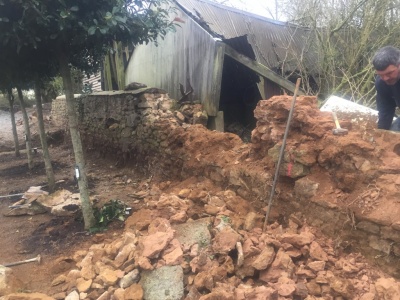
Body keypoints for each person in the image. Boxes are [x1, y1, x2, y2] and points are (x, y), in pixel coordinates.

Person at [372, 46, 400, 130]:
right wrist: (382, 132)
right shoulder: (382, 83)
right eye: (380, 75)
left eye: (389, 73)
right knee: (391, 136)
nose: (385, 78)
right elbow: (386, 109)